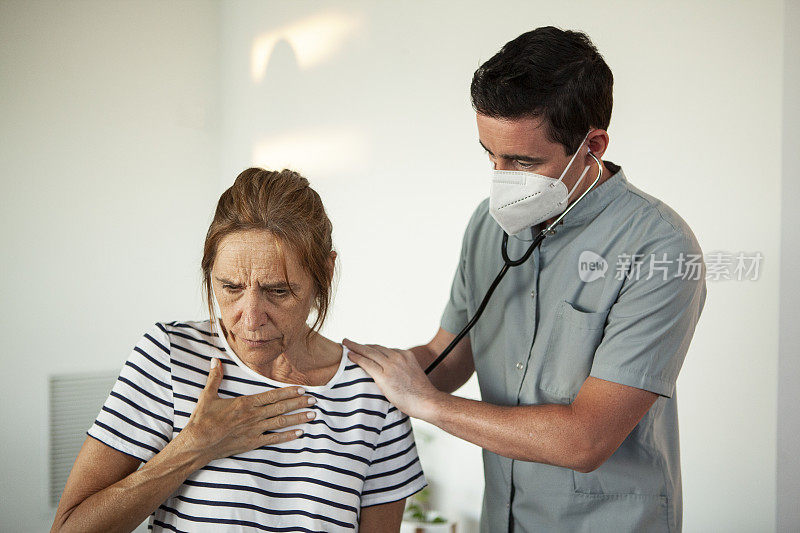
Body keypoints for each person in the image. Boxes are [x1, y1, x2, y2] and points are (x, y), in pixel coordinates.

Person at [344, 26, 706, 532]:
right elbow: (447, 359)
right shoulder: (488, 225)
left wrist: (425, 404)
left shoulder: (658, 246)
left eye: (522, 161)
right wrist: (340, 372)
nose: (500, 177)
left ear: (592, 146)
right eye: (489, 154)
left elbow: (586, 440)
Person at [51, 168, 426, 532]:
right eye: (230, 287)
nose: (249, 320)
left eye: (278, 291)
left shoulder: (376, 396)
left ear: (324, 275)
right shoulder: (169, 358)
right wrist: (194, 447)